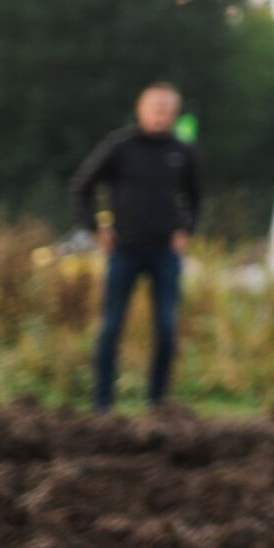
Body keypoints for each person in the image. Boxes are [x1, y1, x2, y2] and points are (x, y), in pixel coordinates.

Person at [69, 82, 201, 413]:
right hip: (124, 251)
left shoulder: (182, 152)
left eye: (170, 109)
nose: (163, 114)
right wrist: (95, 228)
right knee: (112, 327)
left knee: (167, 328)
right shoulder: (119, 147)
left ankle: (157, 404)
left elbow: (197, 198)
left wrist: (186, 229)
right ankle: (103, 405)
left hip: (165, 254)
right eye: (157, 107)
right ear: (140, 109)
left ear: (176, 113)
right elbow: (80, 187)